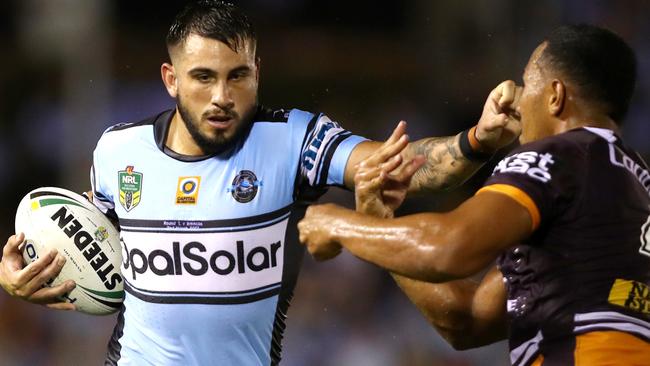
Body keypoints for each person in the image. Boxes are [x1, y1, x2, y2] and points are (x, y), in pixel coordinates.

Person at [0, 1, 519, 365]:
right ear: (171, 78)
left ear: (257, 72)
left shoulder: (292, 139)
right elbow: (94, 246)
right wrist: (21, 278)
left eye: (238, 76)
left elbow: (403, 167)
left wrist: (476, 139)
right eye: (203, 77)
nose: (222, 95)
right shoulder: (117, 150)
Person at [299, 24, 650, 365]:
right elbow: (468, 320)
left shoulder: (558, 157)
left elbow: (449, 248)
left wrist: (338, 223)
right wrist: (377, 220)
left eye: (527, 83)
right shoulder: (632, 186)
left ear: (555, 96)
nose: (517, 98)